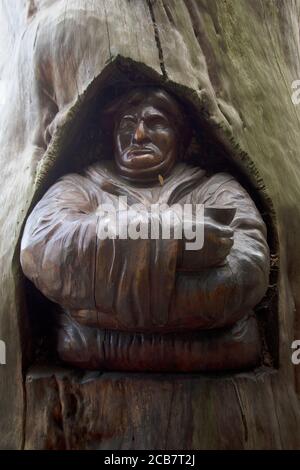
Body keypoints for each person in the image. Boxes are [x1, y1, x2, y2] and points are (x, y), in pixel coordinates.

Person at [20, 87, 270, 371]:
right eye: (127, 124)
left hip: (89, 338)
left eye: (156, 123)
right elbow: (40, 248)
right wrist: (175, 239)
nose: (138, 135)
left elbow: (248, 271)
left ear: (181, 137)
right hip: (213, 337)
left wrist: (102, 296)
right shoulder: (78, 187)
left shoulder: (214, 189)